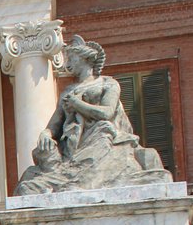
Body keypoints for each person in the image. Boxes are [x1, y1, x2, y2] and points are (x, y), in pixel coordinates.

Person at [17, 34, 172, 195]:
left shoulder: (108, 84)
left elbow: (107, 112)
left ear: (85, 59)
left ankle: (77, 182)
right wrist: (45, 134)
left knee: (102, 131)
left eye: (72, 58)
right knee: (42, 163)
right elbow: (54, 125)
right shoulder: (67, 92)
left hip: (101, 136)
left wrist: (78, 104)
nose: (68, 63)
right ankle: (69, 180)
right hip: (72, 143)